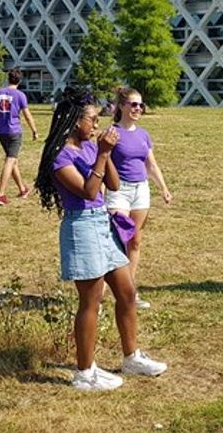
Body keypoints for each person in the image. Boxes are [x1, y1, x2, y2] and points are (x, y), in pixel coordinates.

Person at [34, 86, 167, 391]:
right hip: (81, 228)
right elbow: (88, 192)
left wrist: (104, 154)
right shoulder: (61, 157)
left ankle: (131, 357)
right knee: (91, 302)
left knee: (127, 292)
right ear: (73, 121)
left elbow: (114, 184)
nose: (96, 125)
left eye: (97, 119)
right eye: (91, 119)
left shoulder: (92, 147)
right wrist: (104, 152)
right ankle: (84, 373)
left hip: (103, 225)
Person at [106, 87, 172, 309]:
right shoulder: (112, 132)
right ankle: (98, 294)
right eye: (133, 104)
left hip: (140, 190)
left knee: (134, 241)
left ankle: (128, 292)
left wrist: (163, 187)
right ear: (122, 106)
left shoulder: (143, 134)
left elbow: (151, 164)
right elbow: (102, 161)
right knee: (117, 240)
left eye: (140, 105)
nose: (138, 109)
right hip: (119, 191)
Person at [0, 69, 38, 205]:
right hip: (14, 131)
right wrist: (34, 130)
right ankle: (1, 194)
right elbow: (27, 115)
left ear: (7, 78)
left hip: (1, 132)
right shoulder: (20, 95)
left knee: (12, 160)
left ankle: (22, 189)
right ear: (20, 80)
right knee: (10, 160)